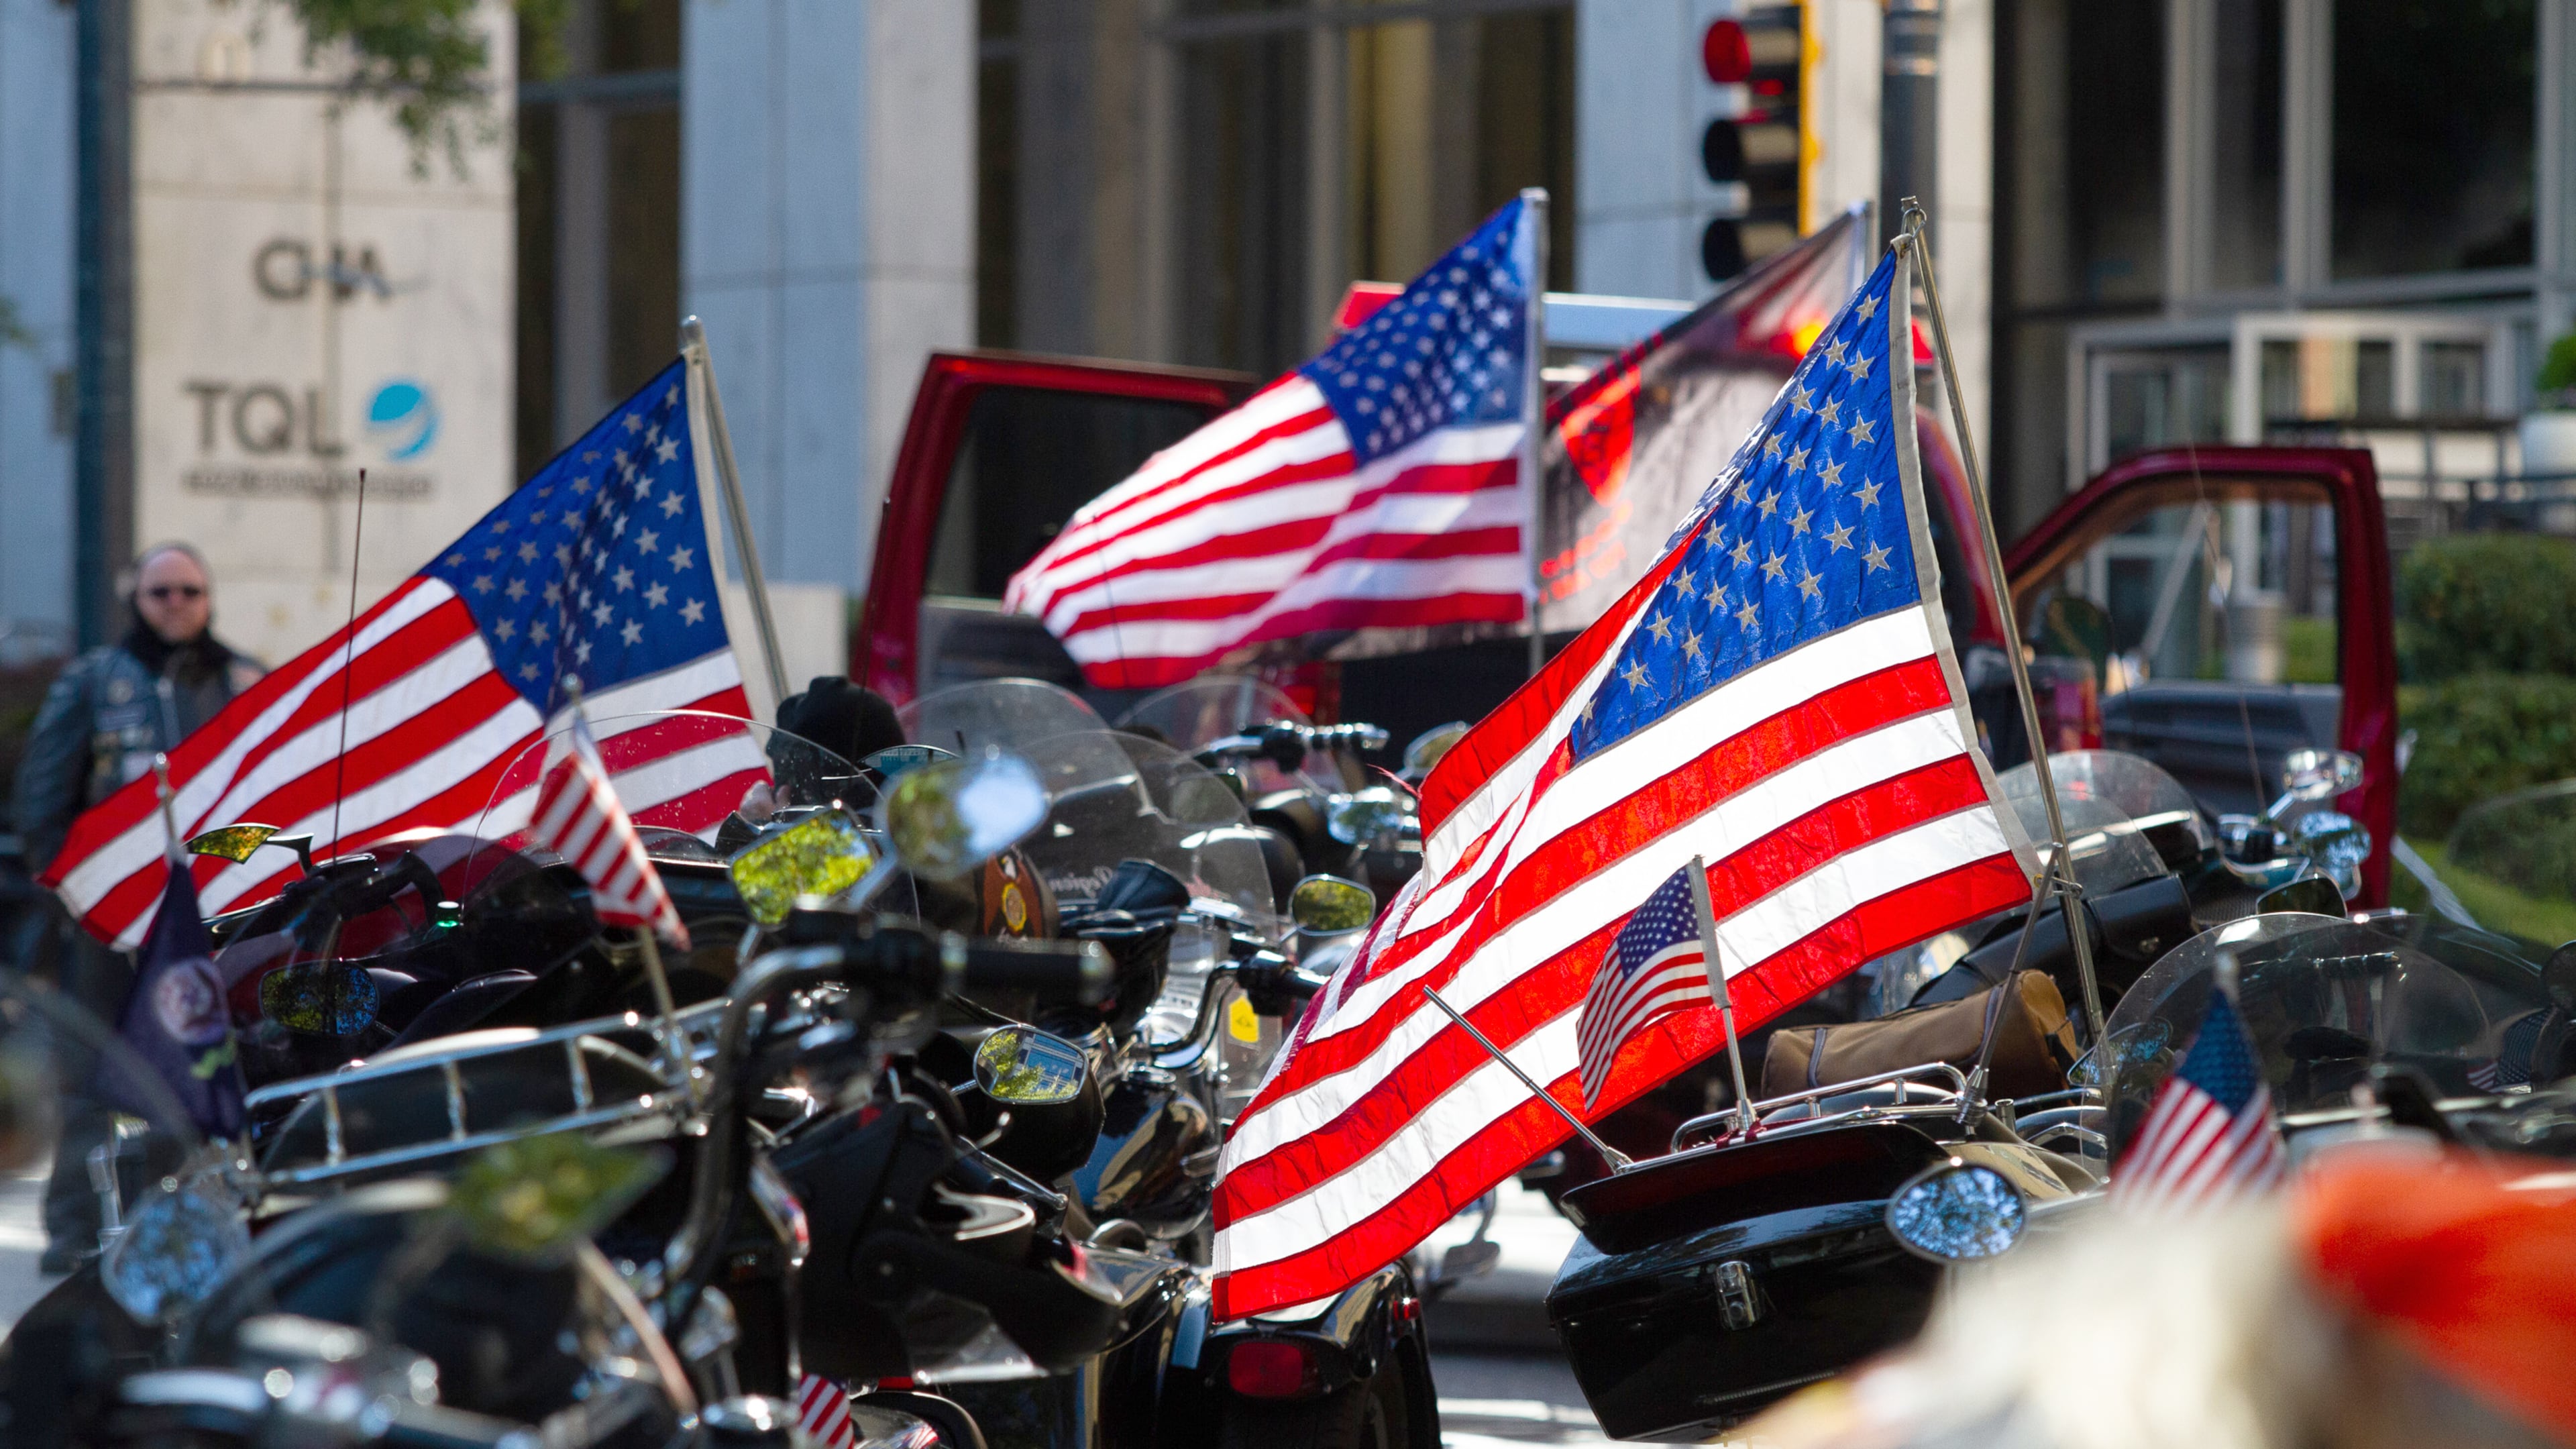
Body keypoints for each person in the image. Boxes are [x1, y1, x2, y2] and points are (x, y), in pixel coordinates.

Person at [11, 543, 262, 1273]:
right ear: (137, 600)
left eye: (190, 590)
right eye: (161, 593)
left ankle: (203, 1231)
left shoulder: (242, 679)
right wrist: (73, 890)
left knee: (221, 1065)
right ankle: (76, 1235)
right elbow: (42, 796)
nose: (177, 604)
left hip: (216, 916)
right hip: (114, 926)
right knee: (98, 1071)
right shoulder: (95, 682)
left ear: (209, 597)